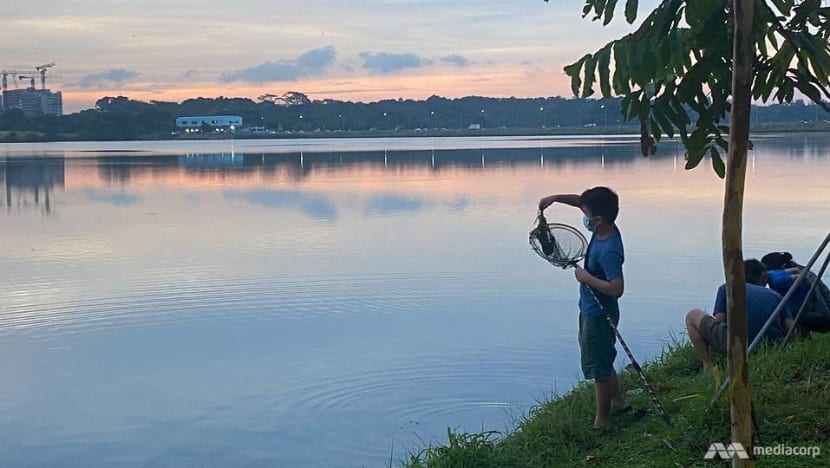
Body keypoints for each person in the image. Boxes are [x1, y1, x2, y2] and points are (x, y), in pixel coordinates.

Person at [539, 186, 629, 429]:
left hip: (600, 314)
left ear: (597, 220)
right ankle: (619, 402)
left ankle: (602, 420)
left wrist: (587, 278)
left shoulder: (609, 249)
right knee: (603, 357)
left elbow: (617, 288)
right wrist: (555, 197)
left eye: (586, 214)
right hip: (590, 308)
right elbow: (580, 201)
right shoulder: (603, 225)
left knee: (599, 368)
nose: (583, 216)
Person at [685, 259, 794, 371]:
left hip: (738, 346)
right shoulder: (776, 295)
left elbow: (720, 321)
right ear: (762, 278)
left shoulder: (727, 287)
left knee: (692, 315)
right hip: (774, 346)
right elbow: (790, 328)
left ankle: (707, 366)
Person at [761, 251, 830, 334]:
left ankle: (795, 338)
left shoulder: (785, 279)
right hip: (818, 309)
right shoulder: (798, 270)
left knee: (784, 317)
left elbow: (819, 303)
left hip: (824, 315)